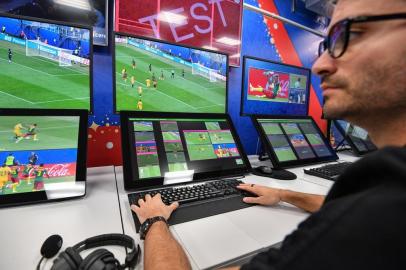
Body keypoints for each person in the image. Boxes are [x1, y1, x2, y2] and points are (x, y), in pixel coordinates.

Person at [130, 0, 406, 269]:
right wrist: (284, 194)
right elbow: (348, 211)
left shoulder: (385, 203)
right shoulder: (380, 199)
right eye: (326, 43)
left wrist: (154, 221)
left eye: (351, 34)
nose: (318, 65)